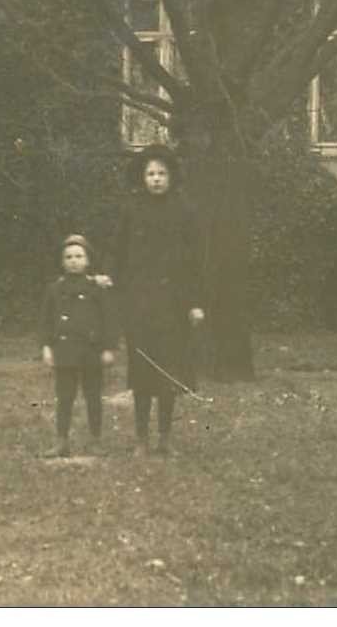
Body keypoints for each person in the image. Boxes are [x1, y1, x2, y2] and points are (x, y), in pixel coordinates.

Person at [113, 143, 206, 456]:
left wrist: (195, 302)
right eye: (150, 173)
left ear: (171, 176)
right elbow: (119, 254)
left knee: (168, 371)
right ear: (142, 178)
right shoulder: (131, 210)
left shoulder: (185, 211)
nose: (156, 179)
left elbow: (195, 261)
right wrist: (119, 294)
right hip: (139, 303)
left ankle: (165, 438)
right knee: (142, 371)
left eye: (161, 173)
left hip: (173, 305)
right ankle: (141, 439)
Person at [38, 234, 116, 458]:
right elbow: (45, 321)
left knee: (93, 396)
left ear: (88, 260)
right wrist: (46, 347)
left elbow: (109, 319)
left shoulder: (97, 288)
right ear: (62, 262)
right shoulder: (55, 289)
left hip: (91, 350)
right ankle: (61, 441)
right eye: (69, 257)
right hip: (65, 350)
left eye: (79, 256)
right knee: (64, 397)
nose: (74, 261)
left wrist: (108, 348)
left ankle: (95, 440)